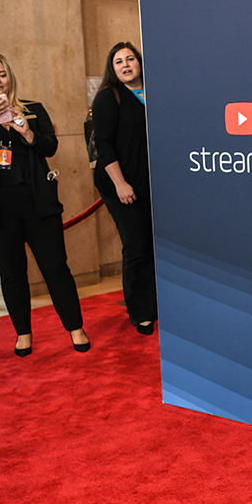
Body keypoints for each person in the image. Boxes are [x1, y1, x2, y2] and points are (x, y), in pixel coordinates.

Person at [0, 52, 90, 356]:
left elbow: (51, 146)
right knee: (11, 272)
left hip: (37, 201)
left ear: (10, 77)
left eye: (1, 74)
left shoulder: (32, 109)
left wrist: (27, 131)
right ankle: (23, 333)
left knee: (56, 267)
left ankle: (75, 327)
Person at [91, 42, 157, 334]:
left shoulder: (156, 92)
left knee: (156, 247)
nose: (126, 65)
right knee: (137, 245)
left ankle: (157, 303)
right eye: (119, 62)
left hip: (153, 183)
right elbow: (102, 145)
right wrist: (120, 183)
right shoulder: (109, 97)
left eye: (131, 59)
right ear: (112, 68)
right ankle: (140, 311)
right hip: (120, 183)